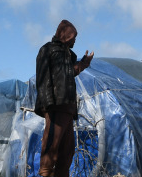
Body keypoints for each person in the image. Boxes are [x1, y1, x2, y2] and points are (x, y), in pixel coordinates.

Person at [34, 19, 94, 177]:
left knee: (67, 150)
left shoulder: (67, 54)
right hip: (56, 104)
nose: (75, 40)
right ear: (66, 35)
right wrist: (47, 103)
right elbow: (42, 77)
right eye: (73, 36)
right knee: (51, 144)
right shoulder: (48, 50)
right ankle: (45, 173)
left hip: (67, 106)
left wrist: (84, 63)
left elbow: (69, 74)